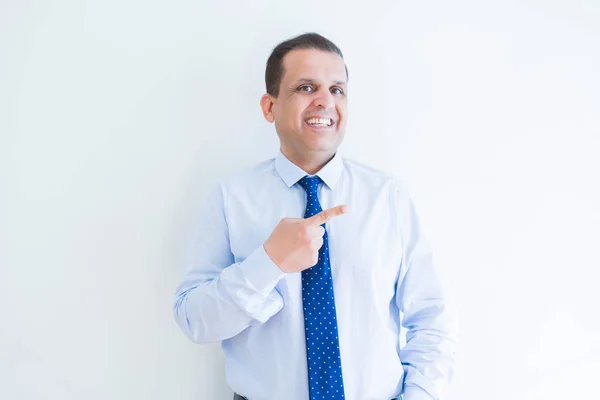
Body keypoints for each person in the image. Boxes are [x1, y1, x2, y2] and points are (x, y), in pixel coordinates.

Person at [173, 32, 458, 400]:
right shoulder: (230, 198)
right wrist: (268, 262)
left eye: (337, 89)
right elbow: (195, 321)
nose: (325, 101)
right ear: (269, 107)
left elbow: (432, 320)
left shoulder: (388, 197)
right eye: (306, 87)